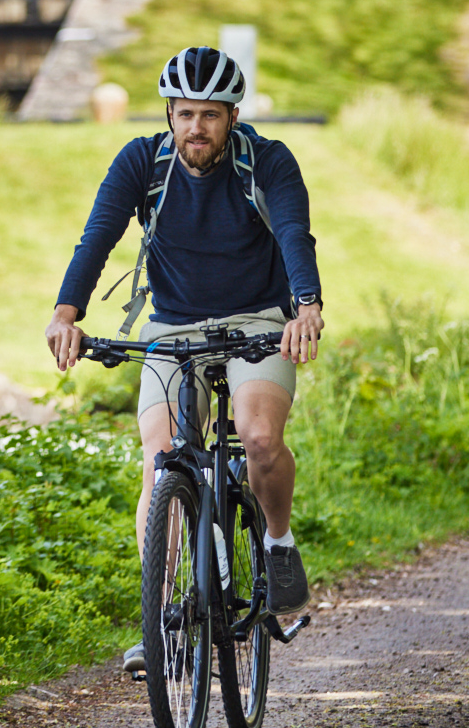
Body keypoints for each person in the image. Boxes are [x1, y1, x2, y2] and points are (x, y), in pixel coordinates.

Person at [48, 45, 326, 656]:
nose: (195, 127)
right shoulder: (141, 164)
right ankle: (164, 620)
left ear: (231, 117)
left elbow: (291, 232)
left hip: (259, 320)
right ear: (168, 113)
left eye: (209, 114)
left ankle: (277, 543)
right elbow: (98, 236)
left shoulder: (268, 163)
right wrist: (67, 313)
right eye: (184, 113)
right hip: (175, 327)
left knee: (256, 436)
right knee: (161, 459)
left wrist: (306, 305)